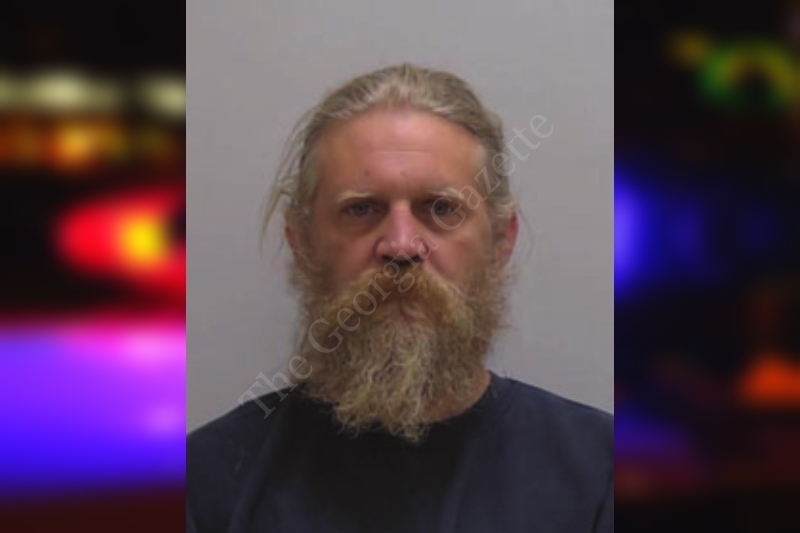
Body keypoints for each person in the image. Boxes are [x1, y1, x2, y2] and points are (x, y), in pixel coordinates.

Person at [187, 63, 613, 533]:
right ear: (302, 242)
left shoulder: (601, 477)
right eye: (361, 209)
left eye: (442, 209)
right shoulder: (205, 485)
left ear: (500, 240)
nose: (402, 245)